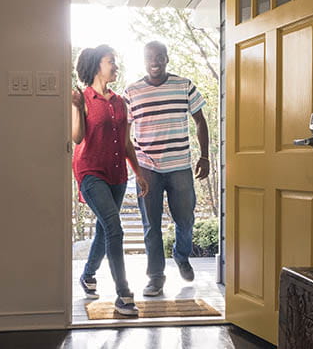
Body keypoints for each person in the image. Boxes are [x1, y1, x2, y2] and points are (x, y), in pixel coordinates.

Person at [124, 40, 210, 297]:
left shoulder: (184, 85)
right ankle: (155, 277)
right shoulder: (132, 92)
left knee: (185, 219)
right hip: (147, 168)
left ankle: (181, 256)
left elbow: (200, 121)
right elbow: (124, 136)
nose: (155, 61)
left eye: (160, 56)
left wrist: (205, 156)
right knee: (151, 225)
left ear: (167, 58)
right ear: (144, 60)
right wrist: (133, 168)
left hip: (180, 166)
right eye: (150, 57)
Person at [71, 45, 148, 316]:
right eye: (110, 62)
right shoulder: (81, 97)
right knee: (115, 228)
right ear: (96, 66)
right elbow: (78, 137)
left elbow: (126, 143)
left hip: (117, 174)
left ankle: (88, 274)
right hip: (90, 172)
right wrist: (75, 107)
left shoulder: (119, 102)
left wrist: (138, 173)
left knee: (105, 229)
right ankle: (123, 294)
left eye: (115, 62)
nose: (115, 66)